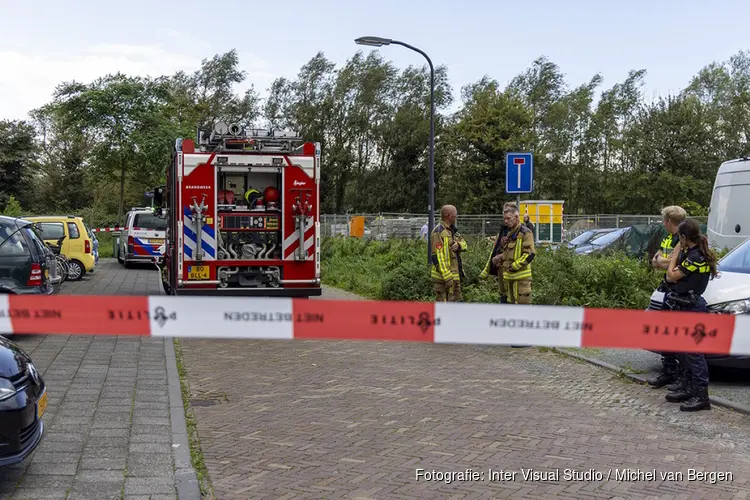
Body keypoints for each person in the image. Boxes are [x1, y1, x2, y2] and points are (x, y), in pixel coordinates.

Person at [662, 219, 718, 412]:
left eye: (679, 237)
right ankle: (688, 387)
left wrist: (675, 254)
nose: (679, 241)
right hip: (683, 305)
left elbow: (671, 275)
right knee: (683, 350)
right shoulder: (692, 253)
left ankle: (702, 396)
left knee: (694, 353)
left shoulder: (696, 257)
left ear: (684, 237)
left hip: (692, 307)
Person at [647, 205, 687, 389]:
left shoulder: (682, 239)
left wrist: (663, 261)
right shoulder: (669, 237)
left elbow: (670, 263)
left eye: (664, 221)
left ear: (669, 222)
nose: (663, 224)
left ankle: (678, 374)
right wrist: (664, 261)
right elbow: (657, 260)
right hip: (666, 289)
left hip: (677, 290)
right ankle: (668, 371)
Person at [480, 202, 534, 303]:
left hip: (520, 280)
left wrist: (512, 267)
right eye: (504, 219)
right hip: (508, 279)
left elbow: (529, 254)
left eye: (508, 218)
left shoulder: (525, 232)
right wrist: (500, 257)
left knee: (521, 313)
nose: (505, 221)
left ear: (516, 217)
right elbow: (507, 253)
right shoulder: (508, 233)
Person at [430, 205, 467, 302]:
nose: (457, 216)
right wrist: (447, 277)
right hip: (444, 279)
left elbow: (465, 244)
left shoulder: (453, 230)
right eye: (456, 214)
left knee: (457, 306)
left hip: (454, 276)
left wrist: (459, 245)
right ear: (449, 216)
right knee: (444, 309)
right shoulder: (438, 232)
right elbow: (437, 256)